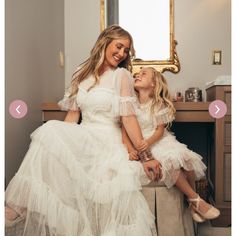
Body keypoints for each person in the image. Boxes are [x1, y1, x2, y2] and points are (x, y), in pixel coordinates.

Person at [5, 25, 161, 236]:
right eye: (119, 46)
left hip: (106, 139)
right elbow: (72, 116)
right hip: (85, 134)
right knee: (51, 132)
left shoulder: (121, 75)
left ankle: (17, 207)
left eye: (126, 50)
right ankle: (20, 205)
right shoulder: (81, 73)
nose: (122, 53)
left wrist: (146, 156)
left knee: (50, 129)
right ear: (105, 41)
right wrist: (63, 147)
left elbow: (128, 118)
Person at [122, 67, 220, 223]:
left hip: (157, 140)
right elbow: (125, 131)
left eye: (143, 74)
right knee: (171, 162)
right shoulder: (130, 103)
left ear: (154, 84)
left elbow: (160, 131)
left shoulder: (158, 104)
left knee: (186, 158)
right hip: (142, 143)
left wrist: (148, 142)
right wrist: (131, 149)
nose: (137, 76)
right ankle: (196, 200)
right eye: (137, 74)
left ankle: (193, 200)